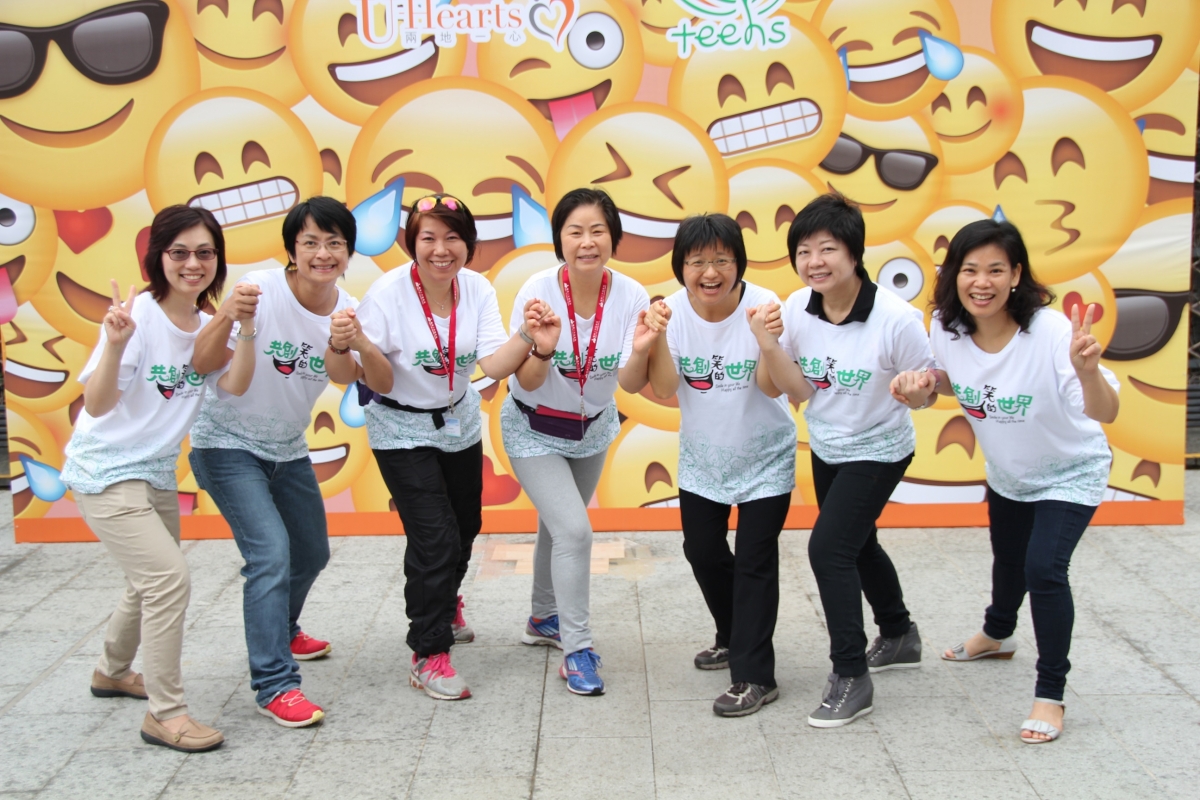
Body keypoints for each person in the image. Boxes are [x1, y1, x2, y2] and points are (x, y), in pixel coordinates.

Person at [890, 219, 1119, 744]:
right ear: (954, 275)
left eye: (996, 270)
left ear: (1016, 275)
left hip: (1071, 470)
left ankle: (1050, 693)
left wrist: (1088, 372)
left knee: (1043, 569)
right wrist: (924, 387)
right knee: (1009, 556)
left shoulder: (1052, 333)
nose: (982, 282)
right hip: (1010, 471)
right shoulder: (946, 327)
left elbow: (1104, 410)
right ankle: (997, 634)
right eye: (970, 269)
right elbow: (951, 383)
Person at [325, 193, 559, 701]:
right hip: (401, 428)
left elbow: (493, 364)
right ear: (412, 244)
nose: (440, 249)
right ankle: (428, 652)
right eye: (428, 237)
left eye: (452, 237)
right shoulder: (387, 294)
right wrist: (347, 343)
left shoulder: (475, 287)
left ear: (468, 245)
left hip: (458, 421)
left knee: (465, 525)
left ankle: (446, 602)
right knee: (434, 538)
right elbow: (360, 375)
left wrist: (529, 336)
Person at [61, 205, 256, 752]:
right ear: (158, 258)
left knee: (146, 580)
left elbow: (234, 387)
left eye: (205, 253)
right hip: (106, 471)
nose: (193, 264)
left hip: (156, 471)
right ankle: (165, 714)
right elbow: (97, 405)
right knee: (168, 580)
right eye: (180, 252)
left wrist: (245, 327)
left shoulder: (208, 323)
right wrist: (115, 343)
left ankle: (112, 671)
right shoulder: (138, 316)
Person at [752, 193, 931, 728]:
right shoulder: (796, 309)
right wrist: (768, 344)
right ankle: (898, 633)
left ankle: (851, 676)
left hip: (879, 448)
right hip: (828, 444)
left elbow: (927, 391)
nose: (815, 262)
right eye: (804, 251)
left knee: (829, 550)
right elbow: (794, 390)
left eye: (827, 248)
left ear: (854, 252)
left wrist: (915, 392)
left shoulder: (896, 320)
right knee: (859, 543)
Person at [188, 197, 360, 728]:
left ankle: (282, 629)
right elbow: (200, 362)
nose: (322, 253)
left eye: (334, 243)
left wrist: (342, 342)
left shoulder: (347, 306)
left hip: (287, 447)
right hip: (226, 444)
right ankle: (275, 684)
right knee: (270, 554)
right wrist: (227, 314)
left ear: (348, 252)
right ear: (292, 249)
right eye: (310, 242)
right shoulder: (258, 291)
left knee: (311, 552)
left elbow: (345, 378)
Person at [501, 188, 655, 696]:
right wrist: (543, 351)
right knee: (575, 532)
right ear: (559, 240)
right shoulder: (538, 290)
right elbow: (524, 382)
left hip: (593, 429)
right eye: (575, 231)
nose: (587, 242)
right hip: (533, 427)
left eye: (597, 231)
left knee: (559, 526)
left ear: (613, 237)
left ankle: (543, 618)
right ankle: (577, 649)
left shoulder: (631, 295)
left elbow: (630, 381)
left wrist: (643, 350)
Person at [644, 213, 795, 717]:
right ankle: (733, 634)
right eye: (697, 262)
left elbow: (772, 387)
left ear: (739, 263)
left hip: (765, 457)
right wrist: (657, 335)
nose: (710, 273)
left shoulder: (764, 307)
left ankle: (755, 676)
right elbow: (664, 388)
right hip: (703, 459)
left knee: (754, 561)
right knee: (703, 551)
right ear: (681, 267)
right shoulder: (670, 313)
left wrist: (765, 338)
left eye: (722, 260)